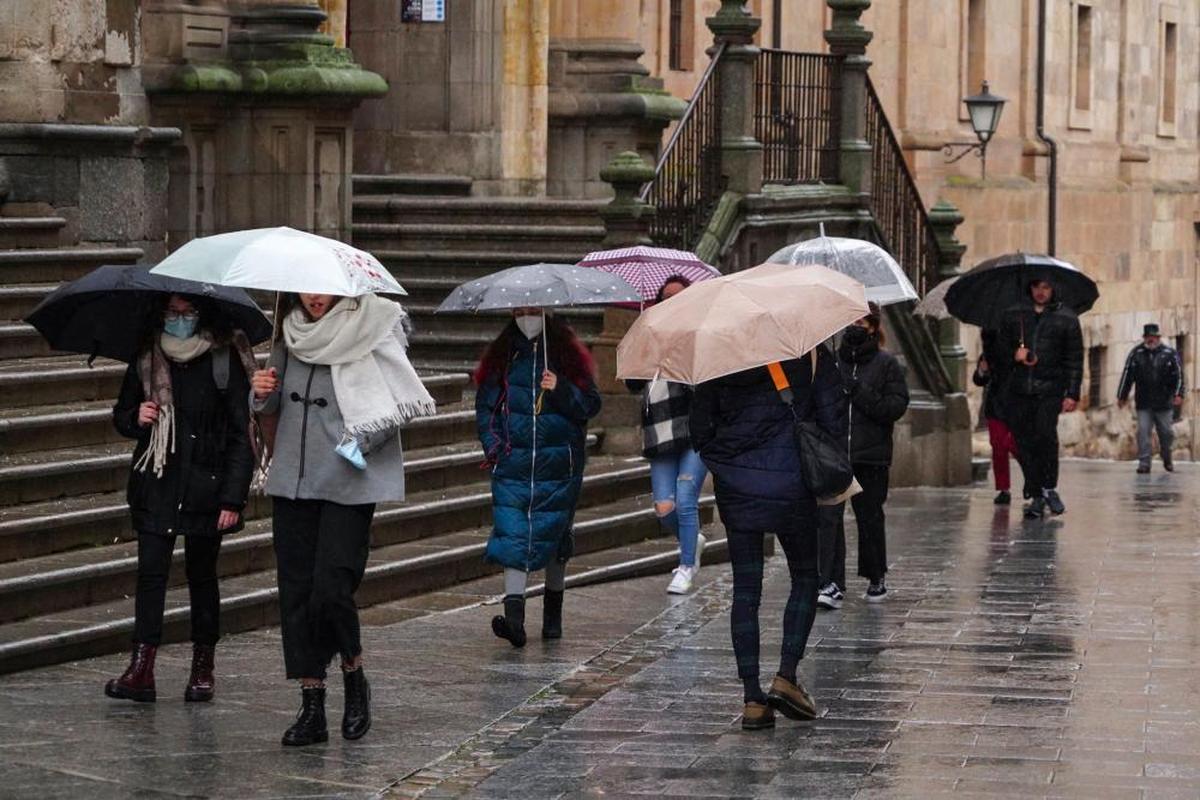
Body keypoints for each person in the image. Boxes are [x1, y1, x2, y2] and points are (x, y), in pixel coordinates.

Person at [252, 292, 434, 747]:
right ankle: (312, 704)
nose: (314, 298)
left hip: (349, 479)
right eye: (306, 290)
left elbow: (394, 401)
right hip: (293, 478)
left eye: (323, 290)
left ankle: (354, 673)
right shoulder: (287, 334)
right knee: (295, 590)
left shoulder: (374, 328)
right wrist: (258, 395)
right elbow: (269, 408)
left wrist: (360, 443)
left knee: (332, 585)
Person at [106, 294, 256, 704]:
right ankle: (142, 668)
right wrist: (136, 418)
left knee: (202, 576)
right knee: (150, 575)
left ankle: (202, 666)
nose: (179, 320)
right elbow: (121, 413)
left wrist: (233, 498)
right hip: (157, 481)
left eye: (187, 313)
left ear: (202, 315)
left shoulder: (223, 357)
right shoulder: (147, 356)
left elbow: (244, 434)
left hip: (207, 486)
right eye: (172, 313)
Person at [690, 348, 846, 731]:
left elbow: (698, 429)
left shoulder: (719, 357)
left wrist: (728, 460)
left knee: (746, 590)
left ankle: (752, 701)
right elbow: (834, 419)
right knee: (806, 577)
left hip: (737, 487)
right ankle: (786, 675)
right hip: (793, 483)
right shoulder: (809, 354)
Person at [475, 308, 601, 648]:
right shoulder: (503, 355)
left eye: (533, 310)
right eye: (520, 310)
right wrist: (495, 447)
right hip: (513, 464)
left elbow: (589, 406)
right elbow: (486, 406)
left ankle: (553, 613)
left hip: (558, 464)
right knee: (512, 533)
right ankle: (514, 618)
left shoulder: (567, 354)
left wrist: (559, 388)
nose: (526, 316)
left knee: (555, 535)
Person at [819, 305, 909, 606]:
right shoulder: (831, 363)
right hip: (834, 454)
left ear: (873, 326)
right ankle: (831, 581)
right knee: (829, 518)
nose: (856, 326)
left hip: (870, 456)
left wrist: (858, 391)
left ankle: (875, 576)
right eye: (852, 321)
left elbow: (894, 408)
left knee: (869, 516)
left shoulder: (887, 365)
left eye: (862, 321)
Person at [625, 276, 708, 595]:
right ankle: (693, 539)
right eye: (666, 297)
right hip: (659, 435)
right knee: (664, 508)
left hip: (692, 435)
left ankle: (686, 566)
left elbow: (705, 388)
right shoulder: (650, 336)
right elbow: (633, 385)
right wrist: (641, 352)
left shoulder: (698, 337)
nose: (671, 302)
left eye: (679, 297)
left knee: (685, 500)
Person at [998, 277, 1084, 519]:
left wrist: (1072, 393)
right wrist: (1015, 354)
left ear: (1053, 289)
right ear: (1030, 288)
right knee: (1024, 442)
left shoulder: (1066, 318)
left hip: (1049, 389)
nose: (1041, 292)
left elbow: (1074, 359)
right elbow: (999, 351)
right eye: (1036, 287)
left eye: (1046, 287)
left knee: (1045, 436)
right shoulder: (1015, 315)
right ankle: (1035, 491)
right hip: (1019, 390)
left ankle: (1048, 487)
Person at [1117, 323, 1185, 473]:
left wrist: (1179, 394)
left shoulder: (1170, 353)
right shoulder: (1136, 353)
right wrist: (1122, 395)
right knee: (1143, 431)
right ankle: (1144, 462)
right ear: (1144, 338)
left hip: (1164, 402)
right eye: (1148, 337)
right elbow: (1127, 375)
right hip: (1144, 402)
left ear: (1158, 337)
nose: (1151, 339)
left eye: (1153, 337)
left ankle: (1166, 456)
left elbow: (1179, 375)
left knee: (1166, 432)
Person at [973, 329, 1018, 504]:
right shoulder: (990, 349)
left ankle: (1035, 483)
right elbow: (978, 379)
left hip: (1018, 403)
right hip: (997, 404)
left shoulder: (1023, 343)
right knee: (998, 446)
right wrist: (983, 370)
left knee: (1016, 445)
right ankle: (1003, 488)